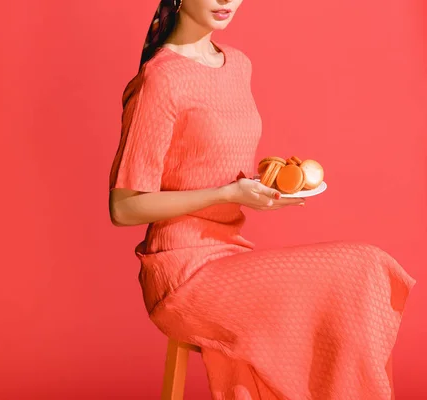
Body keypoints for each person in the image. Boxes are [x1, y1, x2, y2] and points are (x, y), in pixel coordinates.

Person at [108, 0, 417, 398]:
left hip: (232, 255)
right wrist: (227, 194)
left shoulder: (238, 65)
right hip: (182, 274)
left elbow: (211, 163)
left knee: (361, 273)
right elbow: (124, 206)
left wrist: (262, 185)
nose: (226, 1)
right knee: (363, 266)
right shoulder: (161, 79)